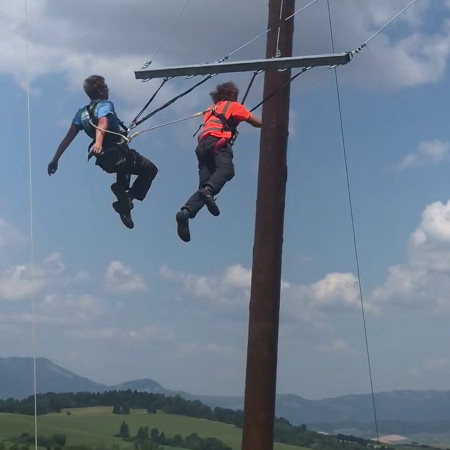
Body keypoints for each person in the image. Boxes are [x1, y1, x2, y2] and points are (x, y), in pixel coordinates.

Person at [48, 75, 158, 229]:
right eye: (106, 87)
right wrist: (99, 142)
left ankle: (124, 208)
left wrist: (55, 159)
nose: (108, 89)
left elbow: (68, 137)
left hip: (107, 160)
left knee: (124, 174)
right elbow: (103, 122)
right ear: (100, 91)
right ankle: (129, 198)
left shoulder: (81, 113)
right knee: (150, 169)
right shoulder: (105, 105)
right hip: (118, 154)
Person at [175, 81, 262, 242]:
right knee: (226, 171)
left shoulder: (212, 109)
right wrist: (268, 125)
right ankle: (207, 191)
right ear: (233, 96)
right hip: (218, 142)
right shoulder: (234, 106)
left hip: (202, 146)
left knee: (206, 186)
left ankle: (185, 212)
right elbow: (253, 120)